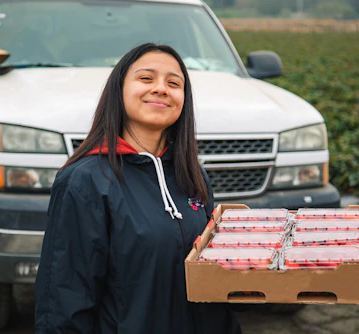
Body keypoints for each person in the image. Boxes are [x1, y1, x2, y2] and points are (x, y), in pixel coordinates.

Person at [35, 43, 242, 334]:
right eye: (146, 78)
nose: (160, 88)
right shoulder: (85, 181)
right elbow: (63, 300)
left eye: (173, 83)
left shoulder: (193, 176)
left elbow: (209, 277)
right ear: (118, 90)